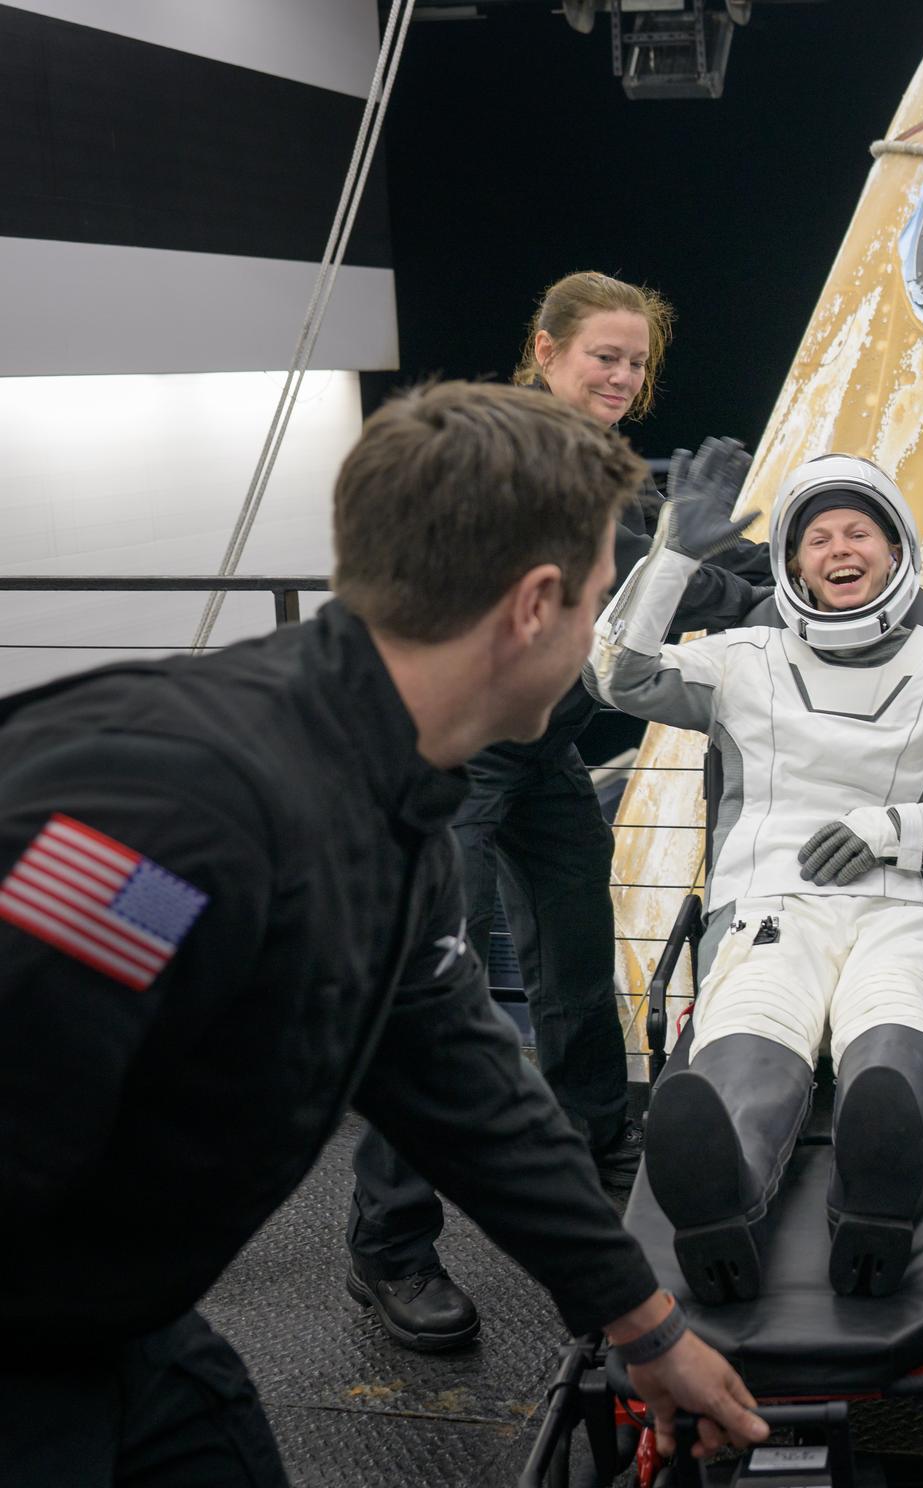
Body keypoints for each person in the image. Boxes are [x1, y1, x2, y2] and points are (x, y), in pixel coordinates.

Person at [0, 383, 767, 1486]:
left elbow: (457, 1074)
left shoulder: (385, 795)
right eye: (602, 600)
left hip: (116, 1325)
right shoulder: (167, 830)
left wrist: (644, 1327)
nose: (602, 631)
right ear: (536, 606)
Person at [346, 272, 770, 1352]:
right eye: (605, 358)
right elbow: (623, 573)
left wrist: (803, 581)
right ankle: (390, 1241)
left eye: (637, 364)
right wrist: (710, 566)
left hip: (547, 752)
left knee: (578, 961)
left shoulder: (613, 472)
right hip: (462, 754)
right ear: (546, 350)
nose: (623, 380)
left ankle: (591, 1152)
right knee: (431, 992)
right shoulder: (500, 452)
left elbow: (655, 588)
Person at [586, 450, 923, 1303]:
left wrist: (897, 829)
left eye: (859, 531)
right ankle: (721, 1200)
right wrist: (673, 556)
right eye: (819, 536)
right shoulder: (740, 658)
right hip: (771, 906)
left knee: (895, 1014)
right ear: (791, 563)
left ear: (895, 546)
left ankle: (876, 1197)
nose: (840, 548)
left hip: (909, 903)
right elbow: (615, 674)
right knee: (760, 1019)